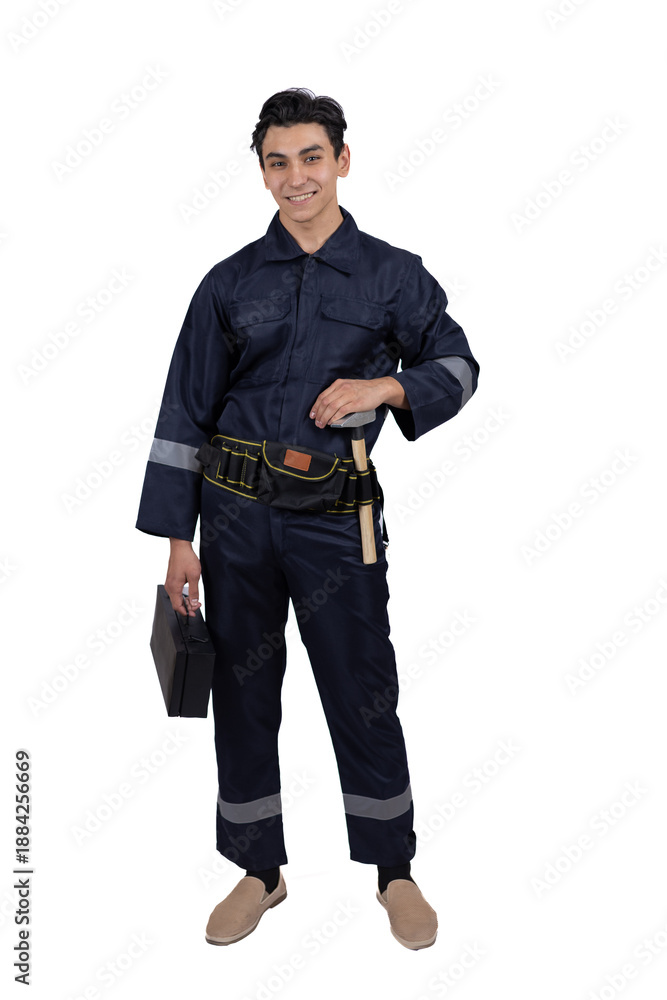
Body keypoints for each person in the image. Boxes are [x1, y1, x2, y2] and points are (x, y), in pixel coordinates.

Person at [136, 87, 480, 950]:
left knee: (362, 691)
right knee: (242, 691)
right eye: (278, 162)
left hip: (336, 520)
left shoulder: (392, 275)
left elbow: (459, 365)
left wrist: (388, 385)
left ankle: (393, 869)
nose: (296, 178)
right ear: (262, 173)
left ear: (342, 161)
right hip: (234, 520)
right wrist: (179, 540)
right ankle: (259, 871)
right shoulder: (228, 282)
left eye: (312, 158)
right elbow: (184, 410)